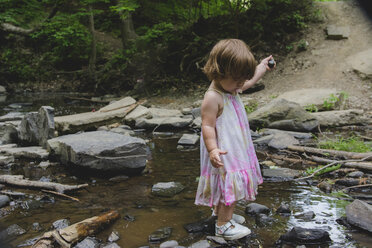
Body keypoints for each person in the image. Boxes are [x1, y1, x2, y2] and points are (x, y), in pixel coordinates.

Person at [194, 39, 274, 240]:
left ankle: (218, 214)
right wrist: (212, 149)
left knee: (226, 184)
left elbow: (249, 81)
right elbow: (207, 125)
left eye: (242, 80)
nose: (241, 84)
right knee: (231, 183)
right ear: (219, 72)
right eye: (237, 80)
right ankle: (223, 226)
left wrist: (262, 67)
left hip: (235, 146)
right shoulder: (213, 97)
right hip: (223, 149)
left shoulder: (230, 87)